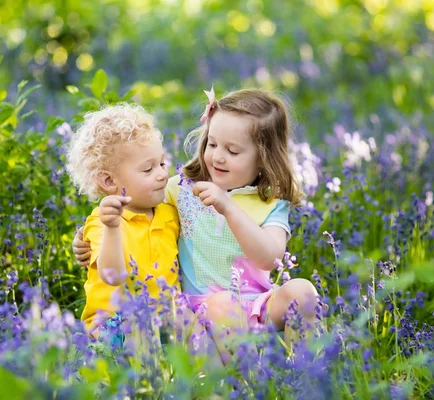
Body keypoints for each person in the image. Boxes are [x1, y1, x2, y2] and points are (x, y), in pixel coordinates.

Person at [73, 88, 320, 356]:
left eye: (233, 151)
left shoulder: (271, 203)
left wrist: (228, 208)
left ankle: (309, 374)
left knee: (302, 290)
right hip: (205, 309)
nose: (218, 156)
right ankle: (245, 383)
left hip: (260, 304)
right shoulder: (181, 190)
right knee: (223, 305)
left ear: (263, 158)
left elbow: (270, 259)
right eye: (212, 144)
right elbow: (132, 199)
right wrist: (86, 237)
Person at [65, 104, 186, 347]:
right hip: (115, 322)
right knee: (135, 334)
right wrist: (111, 228)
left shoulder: (169, 212)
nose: (162, 174)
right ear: (109, 180)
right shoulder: (102, 222)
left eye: (162, 163)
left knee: (194, 322)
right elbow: (112, 275)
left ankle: (212, 380)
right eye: (148, 169)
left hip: (165, 317)